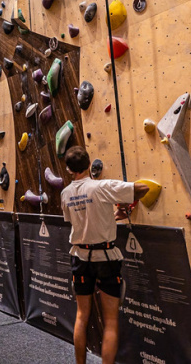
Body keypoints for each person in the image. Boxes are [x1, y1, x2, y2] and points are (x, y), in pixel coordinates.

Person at [60, 146, 150, 364]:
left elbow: (79, 222)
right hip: (106, 258)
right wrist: (122, 203)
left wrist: (111, 217)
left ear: (69, 170)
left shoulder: (65, 193)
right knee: (110, 321)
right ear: (90, 165)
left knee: (82, 316)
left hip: (80, 258)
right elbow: (143, 188)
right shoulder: (102, 187)